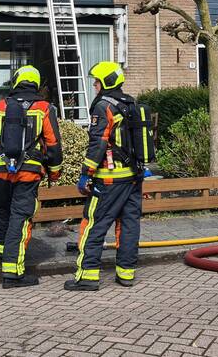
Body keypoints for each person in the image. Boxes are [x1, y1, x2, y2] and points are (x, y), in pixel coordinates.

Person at [0, 65, 63, 288]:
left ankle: (1, 251)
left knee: (1, 208)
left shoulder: (0, 107)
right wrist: (54, 173)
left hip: (3, 171)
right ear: (36, 84)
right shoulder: (44, 108)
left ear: (16, 82)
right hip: (29, 173)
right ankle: (13, 273)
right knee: (21, 216)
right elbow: (53, 144)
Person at [64, 61, 143, 291]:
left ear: (106, 82)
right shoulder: (130, 103)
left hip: (109, 180)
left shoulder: (104, 107)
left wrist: (85, 174)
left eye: (97, 81)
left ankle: (87, 276)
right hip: (133, 179)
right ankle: (126, 274)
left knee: (94, 224)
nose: (95, 86)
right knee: (129, 225)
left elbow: (97, 144)